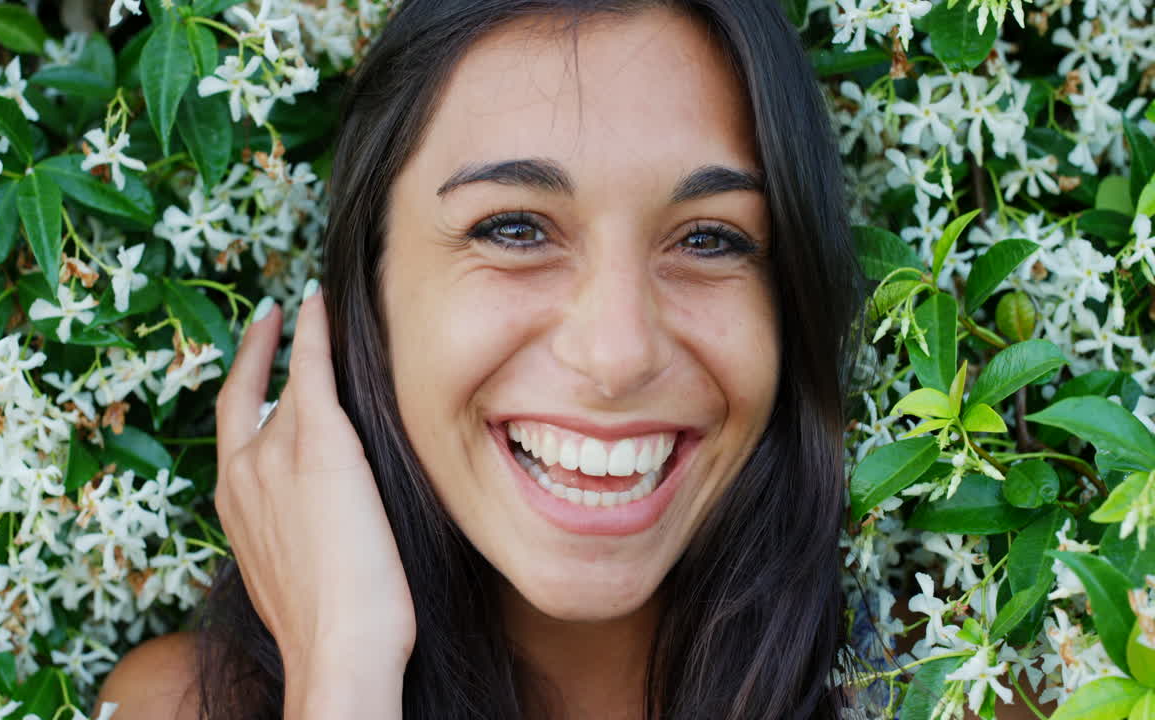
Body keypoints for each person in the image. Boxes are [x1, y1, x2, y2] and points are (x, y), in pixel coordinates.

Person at [95, 1, 870, 717]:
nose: (617, 355)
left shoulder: (937, 694)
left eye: (709, 239)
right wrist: (343, 665)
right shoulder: (182, 705)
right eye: (515, 231)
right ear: (368, 291)